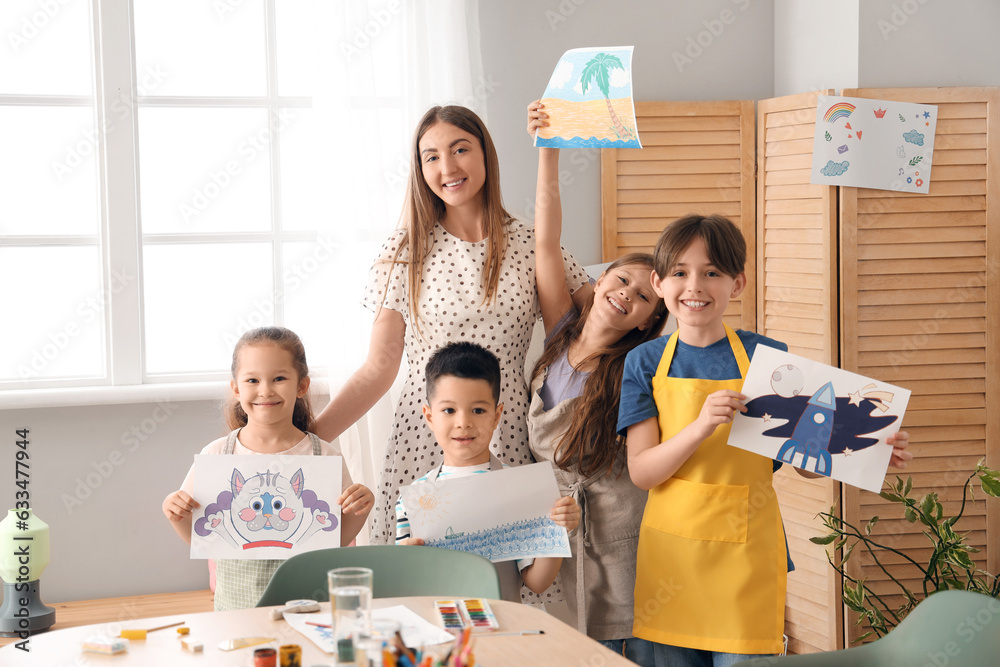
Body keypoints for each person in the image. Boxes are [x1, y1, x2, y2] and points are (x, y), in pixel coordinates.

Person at [617, 215, 912, 666]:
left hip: (747, 553)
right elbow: (642, 472)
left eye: (712, 272)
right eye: (680, 271)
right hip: (672, 557)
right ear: (658, 283)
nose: (694, 285)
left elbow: (803, 459)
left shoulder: (768, 359)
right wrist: (700, 425)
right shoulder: (644, 362)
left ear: (738, 284)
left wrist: (864, 449)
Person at [313, 105, 593, 545]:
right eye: (431, 156)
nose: (447, 167)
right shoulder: (406, 248)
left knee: (506, 581)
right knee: (420, 580)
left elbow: (602, 320)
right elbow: (378, 368)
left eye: (460, 149)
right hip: (424, 434)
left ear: (486, 154)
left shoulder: (529, 242)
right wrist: (304, 441)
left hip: (507, 428)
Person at [523, 101, 666, 665]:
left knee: (622, 641)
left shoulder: (639, 365)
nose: (626, 292)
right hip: (557, 520)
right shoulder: (560, 333)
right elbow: (545, 243)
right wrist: (549, 153)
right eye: (621, 277)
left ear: (648, 321)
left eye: (643, 296)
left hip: (619, 521)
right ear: (600, 277)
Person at [162, 326, 374, 610]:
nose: (265, 390)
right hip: (237, 610)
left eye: (279, 378)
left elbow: (338, 538)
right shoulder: (217, 455)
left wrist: (361, 508)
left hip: (307, 606)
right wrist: (174, 511)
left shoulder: (325, 456)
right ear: (236, 389)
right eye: (252, 380)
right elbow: (201, 537)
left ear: (302, 386)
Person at [393, 342, 580, 601]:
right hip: (441, 630)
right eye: (449, 410)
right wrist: (404, 563)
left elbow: (538, 582)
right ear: (429, 416)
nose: (463, 422)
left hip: (504, 628)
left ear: (496, 415)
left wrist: (557, 529)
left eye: (478, 410)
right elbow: (408, 587)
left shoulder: (519, 489)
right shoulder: (413, 499)